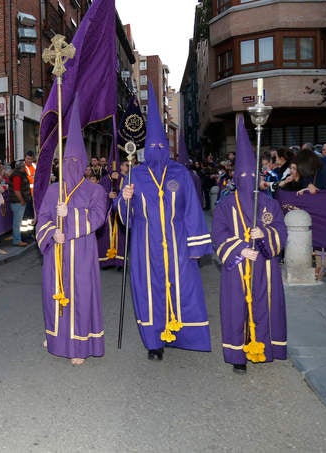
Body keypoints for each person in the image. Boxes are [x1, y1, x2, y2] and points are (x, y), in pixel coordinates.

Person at [117, 105, 212, 361]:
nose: (157, 151)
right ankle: (154, 342)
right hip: (144, 244)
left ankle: (184, 335)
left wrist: (195, 247)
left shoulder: (181, 174)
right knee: (149, 289)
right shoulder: (135, 175)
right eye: (152, 147)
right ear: (145, 148)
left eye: (161, 147)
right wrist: (124, 199)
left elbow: (192, 210)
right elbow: (125, 217)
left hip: (177, 241)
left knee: (183, 288)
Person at [213, 116, 287, 374]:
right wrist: (239, 248)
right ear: (235, 176)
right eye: (242, 174)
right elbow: (218, 234)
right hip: (238, 265)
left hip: (265, 266)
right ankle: (237, 355)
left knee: (263, 304)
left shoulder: (269, 203)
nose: (247, 178)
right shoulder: (225, 204)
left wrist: (264, 234)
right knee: (237, 308)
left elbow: (281, 229)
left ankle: (264, 347)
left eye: (251, 174)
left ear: (258, 176)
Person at [37, 103, 106, 365]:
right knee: (52, 293)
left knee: (80, 295)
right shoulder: (54, 189)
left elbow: (98, 218)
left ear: (85, 164)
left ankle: (79, 344)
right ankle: (55, 335)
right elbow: (42, 218)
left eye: (75, 161)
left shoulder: (94, 191)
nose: (71, 165)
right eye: (67, 161)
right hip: (56, 252)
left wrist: (70, 217)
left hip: (82, 254)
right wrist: (53, 231)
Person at [8, 160, 31, 246]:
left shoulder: (19, 175)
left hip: (18, 201)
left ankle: (18, 238)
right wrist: (22, 200)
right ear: (21, 168)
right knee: (17, 222)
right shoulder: (17, 176)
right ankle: (17, 240)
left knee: (18, 221)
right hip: (18, 202)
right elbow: (17, 190)